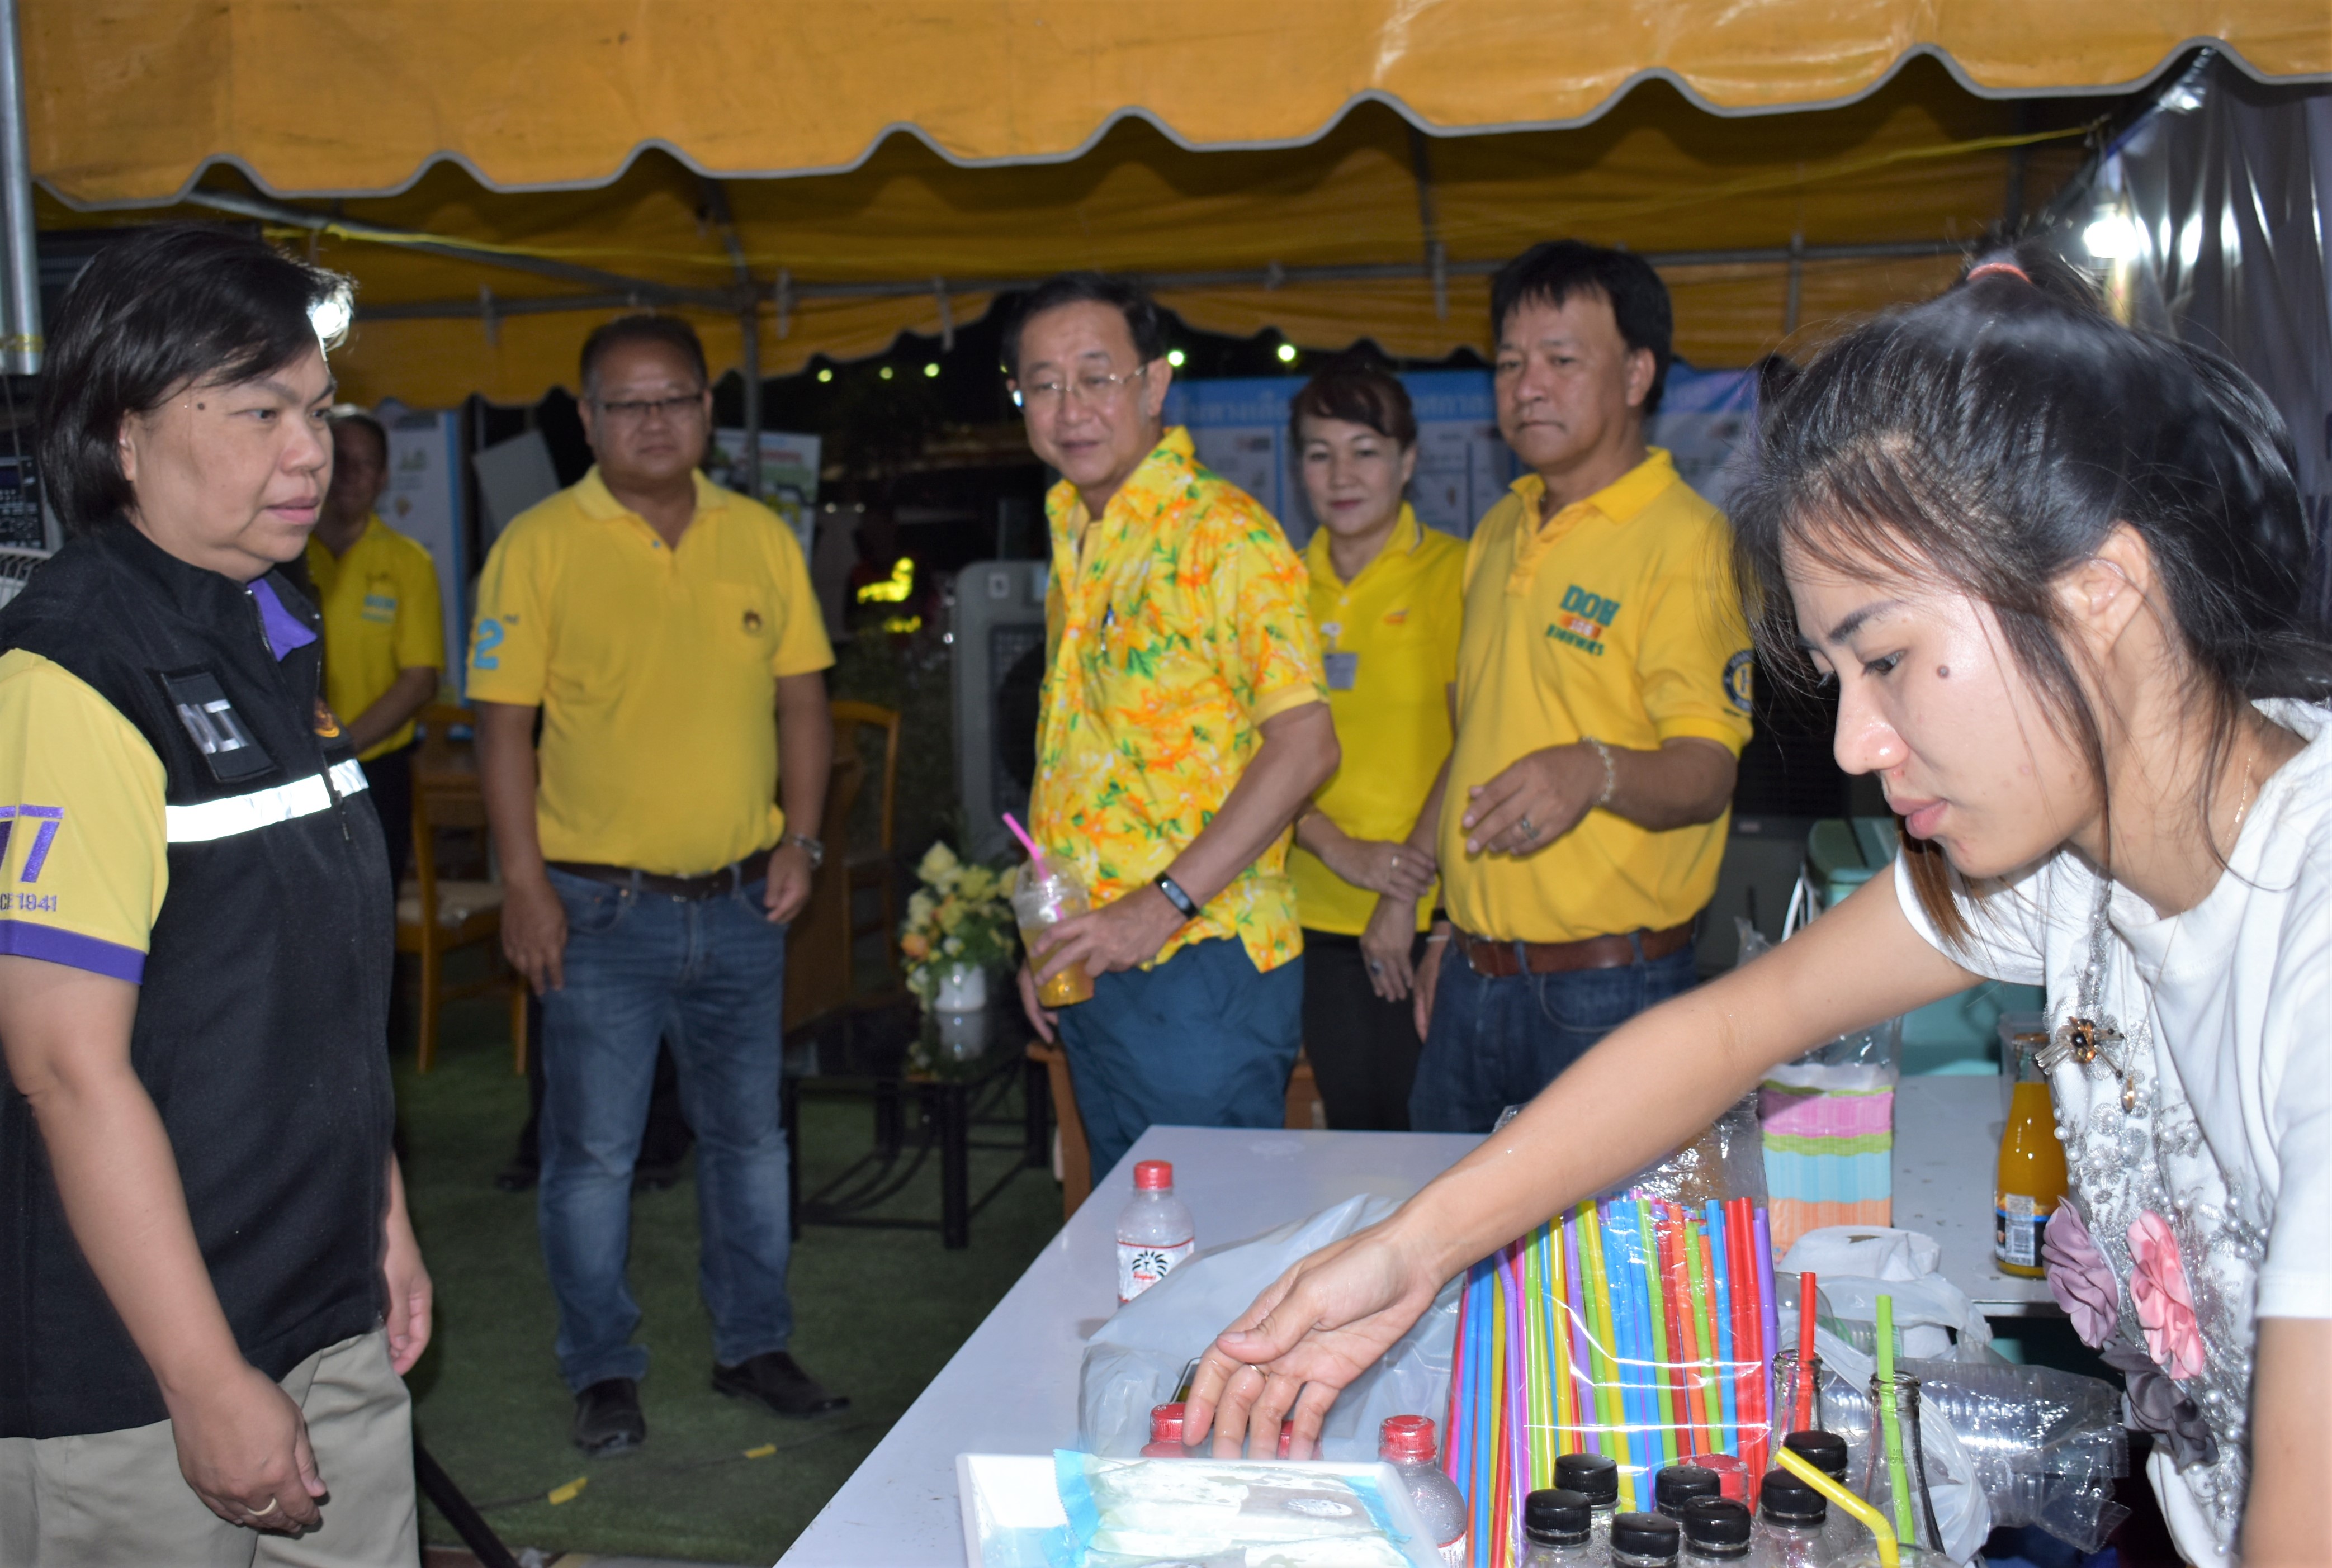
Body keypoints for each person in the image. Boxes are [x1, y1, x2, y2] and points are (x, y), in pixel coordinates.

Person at [1183, 244, 2330, 1568]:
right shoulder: (2076, 865)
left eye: (1887, 656)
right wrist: (1414, 1249)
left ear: (2100, 594)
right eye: (1839, 675)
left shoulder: (2302, 938)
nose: (1853, 743)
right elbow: (1731, 1029)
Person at [0, 224, 428, 1560]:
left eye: (318, 409)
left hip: (322, 1300)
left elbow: (315, 980)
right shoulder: (69, 674)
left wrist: (384, 1220)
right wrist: (201, 1378)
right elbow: (67, 1068)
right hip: (141, 1371)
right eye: (256, 411)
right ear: (121, 433)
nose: (309, 452)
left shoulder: (269, 624)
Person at [468, 314, 847, 1457]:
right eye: (626, 403)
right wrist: (523, 882)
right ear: (587, 420)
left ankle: (754, 1345)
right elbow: (501, 727)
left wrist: (804, 841)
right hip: (595, 911)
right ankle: (601, 1368)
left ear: (706, 411)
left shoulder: (759, 536)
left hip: (743, 904)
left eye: (673, 398)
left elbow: (803, 702)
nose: (652, 421)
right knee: (594, 1156)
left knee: (750, 1143)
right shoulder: (537, 544)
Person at [1404, 240, 1755, 1133]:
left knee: (1603, 1231)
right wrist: (1444, 926)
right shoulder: (1497, 528)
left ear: (1636, 373)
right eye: (1508, 363)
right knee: (1443, 1214)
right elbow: (1476, 740)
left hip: (1607, 993)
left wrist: (1592, 770)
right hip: (1470, 977)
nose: (1526, 386)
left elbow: (1705, 773)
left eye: (1560, 361)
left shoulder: (1688, 544)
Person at [1010, 272, 1338, 1181]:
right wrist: (1052, 944)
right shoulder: (1076, 537)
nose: (1070, 409)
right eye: (1043, 385)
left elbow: (1307, 745)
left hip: (1201, 964)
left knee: (1212, 1237)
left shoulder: (1222, 535)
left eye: (1096, 377)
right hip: (1096, 960)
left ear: (1153, 385)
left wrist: (1161, 906)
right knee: (1135, 1235)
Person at [1284, 361, 1464, 1130]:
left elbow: (1477, 741)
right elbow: (1253, 756)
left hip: (1430, 916)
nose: (1341, 475)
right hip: (1311, 913)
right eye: (1319, 453)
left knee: (1437, 1141)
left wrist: (1406, 898)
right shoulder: (1278, 587)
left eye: (1364, 451)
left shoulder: (1456, 573)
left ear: (1407, 460)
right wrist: (1337, 849)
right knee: (1354, 1138)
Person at [305, 405, 444, 885]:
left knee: (374, 905)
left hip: (374, 770)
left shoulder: (409, 563)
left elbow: (420, 679)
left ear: (383, 478)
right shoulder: (280, 557)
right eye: (339, 459)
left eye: (365, 463)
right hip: (292, 772)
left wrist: (339, 749)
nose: (350, 474)